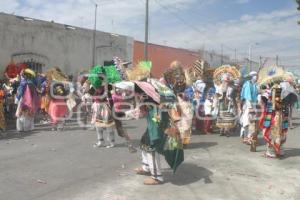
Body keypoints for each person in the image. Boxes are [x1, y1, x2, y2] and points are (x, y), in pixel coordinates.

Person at [260, 83, 289, 158]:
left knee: (272, 133)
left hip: (274, 117)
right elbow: (286, 108)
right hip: (281, 116)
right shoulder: (284, 95)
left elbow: (264, 102)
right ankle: (280, 150)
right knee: (281, 133)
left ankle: (271, 152)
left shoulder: (270, 95)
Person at [240, 71, 259, 150]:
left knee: (251, 122)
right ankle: (247, 138)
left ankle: (248, 137)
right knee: (247, 122)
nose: (256, 77)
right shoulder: (248, 84)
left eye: (257, 76)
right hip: (249, 105)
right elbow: (247, 97)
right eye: (255, 76)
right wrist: (250, 107)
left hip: (253, 105)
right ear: (252, 76)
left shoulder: (254, 85)